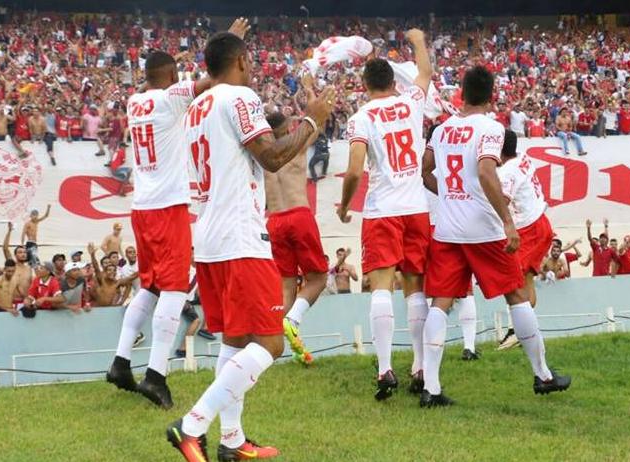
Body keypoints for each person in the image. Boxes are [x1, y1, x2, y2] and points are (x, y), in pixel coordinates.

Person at [166, 27, 334, 462]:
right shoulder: (238, 97)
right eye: (251, 60)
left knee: (236, 340)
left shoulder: (197, 107)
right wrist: (312, 120)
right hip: (240, 236)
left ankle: (232, 440)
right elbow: (272, 157)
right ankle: (192, 424)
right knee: (270, 343)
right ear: (240, 61)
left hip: (209, 237)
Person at [107, 23, 252, 410]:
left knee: (150, 287)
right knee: (173, 289)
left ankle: (121, 361)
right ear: (172, 76)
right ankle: (156, 376)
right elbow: (213, 78)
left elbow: (165, 80)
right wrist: (227, 41)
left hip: (141, 207)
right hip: (168, 206)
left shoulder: (134, 102)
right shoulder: (170, 99)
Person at [420, 65, 570, 408]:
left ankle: (431, 387)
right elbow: (487, 172)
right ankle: (543, 375)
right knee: (516, 294)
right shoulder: (491, 128)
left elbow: (425, 170)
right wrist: (507, 221)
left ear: (462, 93)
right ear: (491, 97)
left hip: (448, 229)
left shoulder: (442, 129)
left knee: (440, 302)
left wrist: (449, 196)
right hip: (482, 229)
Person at [338, 29, 433, 401]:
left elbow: (354, 171)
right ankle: (421, 366)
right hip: (416, 208)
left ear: (365, 86)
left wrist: (345, 205)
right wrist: (418, 42)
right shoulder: (410, 103)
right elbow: (425, 74)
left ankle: (384, 368)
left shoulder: (361, 118)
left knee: (380, 287)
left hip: (382, 210)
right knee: (414, 288)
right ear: (394, 83)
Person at [262, 104, 327, 367]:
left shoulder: (262, 156)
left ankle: (273, 344)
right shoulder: (296, 147)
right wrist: (311, 95)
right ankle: (292, 320)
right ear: (287, 128)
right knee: (318, 278)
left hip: (274, 220)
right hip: (299, 214)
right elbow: (319, 122)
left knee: (286, 286)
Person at [489, 130, 554, 351]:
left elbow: (503, 201)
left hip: (529, 229)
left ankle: (518, 331)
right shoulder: (522, 156)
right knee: (524, 280)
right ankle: (523, 331)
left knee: (515, 281)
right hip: (539, 222)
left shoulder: (507, 173)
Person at [3, 222, 33, 308]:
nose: (23, 254)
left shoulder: (29, 268)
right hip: (12, 302)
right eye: (20, 252)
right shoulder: (12, 265)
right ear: (15, 255)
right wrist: (9, 231)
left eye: (24, 252)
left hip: (26, 303)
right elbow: (5, 249)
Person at [88, 242, 127, 306]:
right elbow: (96, 267)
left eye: (114, 270)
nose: (108, 264)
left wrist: (121, 301)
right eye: (105, 263)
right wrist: (92, 255)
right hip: (99, 306)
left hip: (112, 307)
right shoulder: (100, 278)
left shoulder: (117, 281)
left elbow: (129, 284)